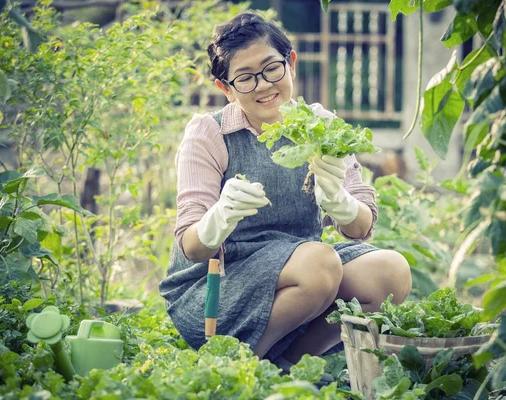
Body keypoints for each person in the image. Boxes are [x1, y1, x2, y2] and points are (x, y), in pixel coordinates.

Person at [159, 11, 411, 377]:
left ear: (290, 63)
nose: (263, 85)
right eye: (245, 78)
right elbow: (193, 248)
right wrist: (219, 218)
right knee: (319, 263)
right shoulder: (209, 133)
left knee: (390, 271)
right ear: (225, 88)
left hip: (302, 274)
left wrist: (341, 203)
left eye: (271, 69)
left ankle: (291, 366)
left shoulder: (321, 126)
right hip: (219, 282)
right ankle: (240, 365)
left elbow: (361, 226)